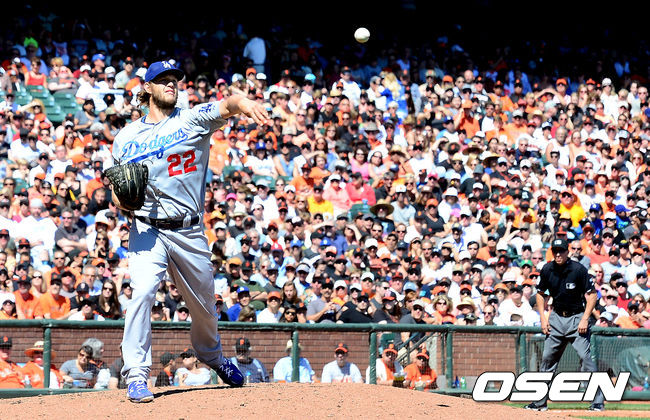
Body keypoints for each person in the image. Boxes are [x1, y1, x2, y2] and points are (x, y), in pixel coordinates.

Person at [110, 61, 268, 402]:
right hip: (147, 229)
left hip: (189, 230)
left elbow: (228, 104)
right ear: (147, 88)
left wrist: (244, 102)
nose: (171, 84)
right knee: (142, 293)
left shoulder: (192, 119)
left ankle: (212, 356)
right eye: (162, 80)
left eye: (174, 79)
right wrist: (123, 199)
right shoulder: (125, 138)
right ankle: (136, 374)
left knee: (205, 306)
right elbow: (116, 195)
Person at [525, 238, 604, 412]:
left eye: (561, 250)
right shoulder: (547, 269)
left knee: (586, 359)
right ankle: (539, 402)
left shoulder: (578, 269)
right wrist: (543, 318)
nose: (558, 254)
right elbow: (540, 294)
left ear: (567, 252)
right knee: (547, 359)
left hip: (576, 318)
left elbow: (592, 295)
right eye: (555, 251)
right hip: (556, 318)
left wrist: (585, 318)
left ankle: (597, 402)